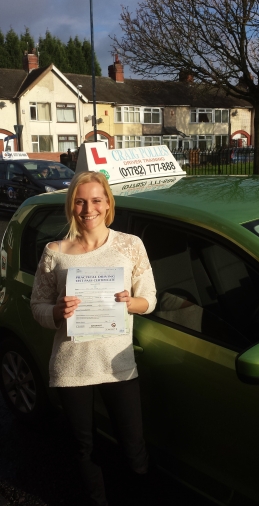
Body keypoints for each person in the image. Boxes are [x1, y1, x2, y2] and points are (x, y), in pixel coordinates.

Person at [30, 171, 157, 506]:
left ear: (107, 204)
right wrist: (57, 312)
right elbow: (37, 306)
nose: (88, 208)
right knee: (82, 446)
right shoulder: (55, 252)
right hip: (72, 365)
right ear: (72, 205)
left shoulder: (130, 245)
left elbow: (150, 300)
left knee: (133, 443)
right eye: (80, 201)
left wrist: (131, 303)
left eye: (96, 200)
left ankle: (138, 496)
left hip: (117, 363)